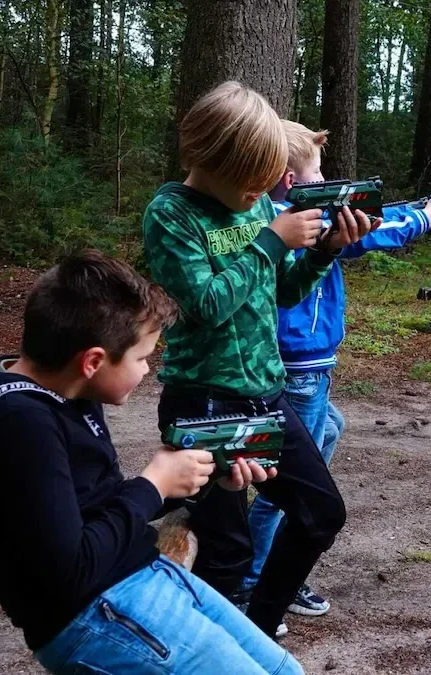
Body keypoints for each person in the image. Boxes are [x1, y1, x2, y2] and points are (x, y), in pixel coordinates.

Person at [0, 250, 297, 674]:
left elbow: (96, 508)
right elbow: (71, 569)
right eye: (142, 358)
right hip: (94, 614)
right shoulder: (19, 425)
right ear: (93, 361)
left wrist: (202, 479)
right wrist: (153, 485)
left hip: (136, 577)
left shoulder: (66, 393)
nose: (147, 371)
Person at [142, 81, 377, 639]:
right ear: (210, 161)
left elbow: (282, 291)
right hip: (204, 400)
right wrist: (271, 239)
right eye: (249, 182)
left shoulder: (260, 206)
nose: (259, 193)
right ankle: (199, 646)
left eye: (263, 182)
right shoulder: (172, 214)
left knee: (321, 514)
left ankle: (258, 629)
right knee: (224, 553)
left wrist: (325, 252)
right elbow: (205, 304)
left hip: (265, 395)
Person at [237, 120, 431, 616]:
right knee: (293, 486)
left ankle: (262, 567)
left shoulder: (292, 214)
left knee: (326, 435)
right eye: (316, 172)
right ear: (286, 179)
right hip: (300, 367)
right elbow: (369, 231)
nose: (325, 179)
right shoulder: (290, 221)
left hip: (306, 367)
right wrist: (423, 221)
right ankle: (257, 580)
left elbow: (371, 217)